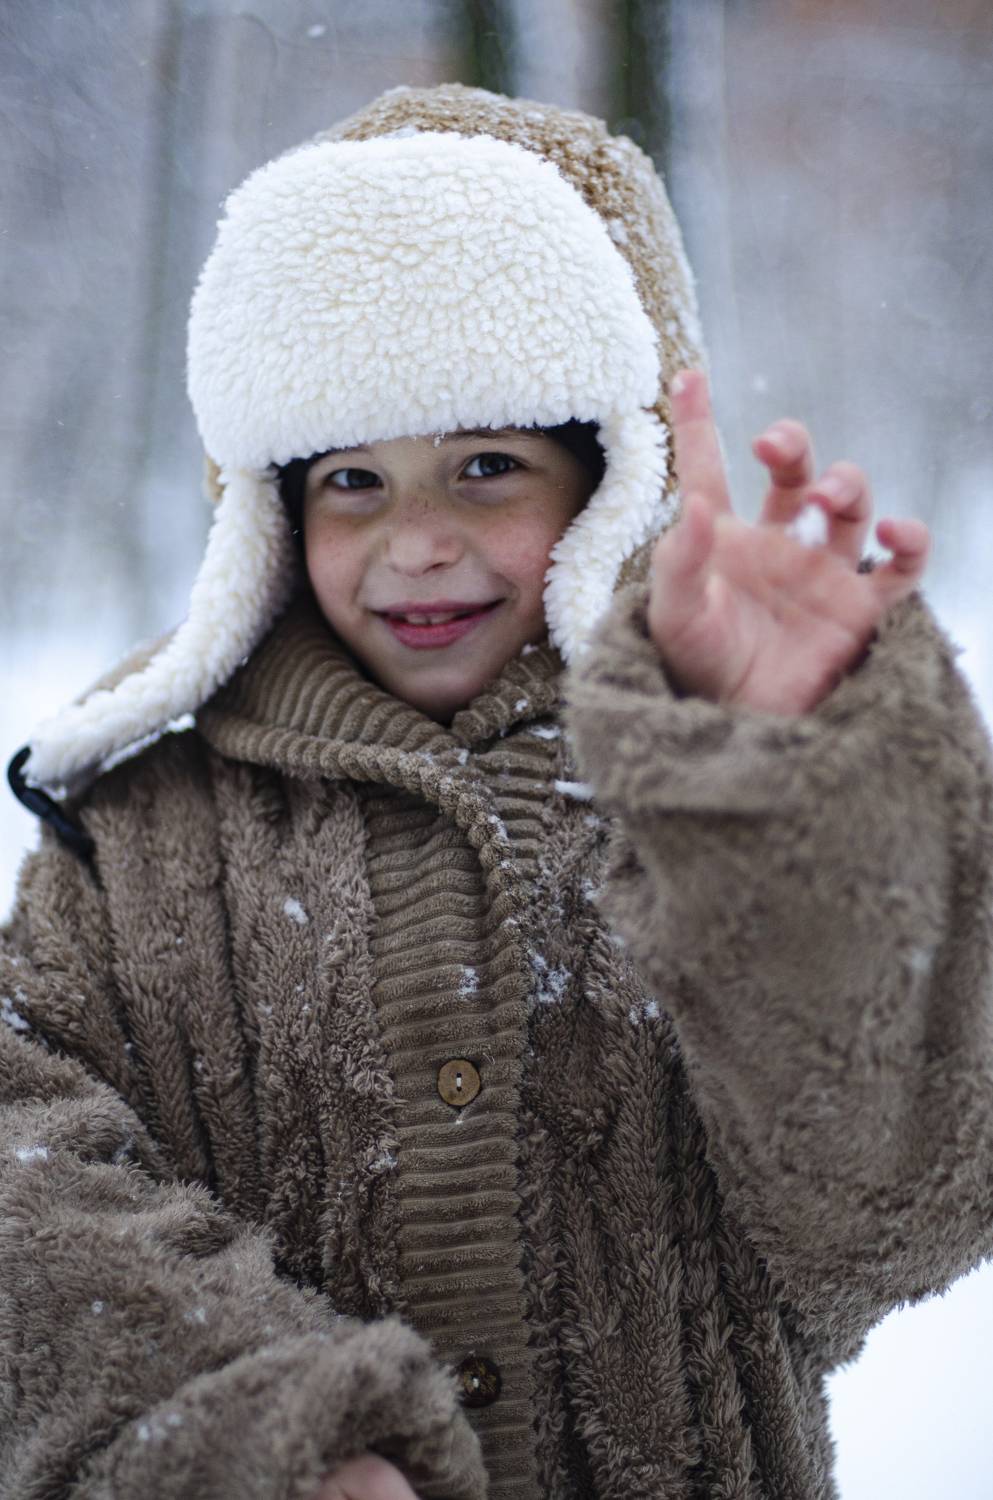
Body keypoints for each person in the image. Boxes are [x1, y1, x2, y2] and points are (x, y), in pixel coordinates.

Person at [1, 81, 991, 1500]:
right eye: (353, 479)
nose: (416, 542)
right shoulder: (139, 832)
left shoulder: (698, 785)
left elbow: (899, 1209)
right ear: (267, 510)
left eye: (486, 465)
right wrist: (247, 1426)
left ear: (612, 478)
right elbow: (19, 1167)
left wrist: (775, 795)